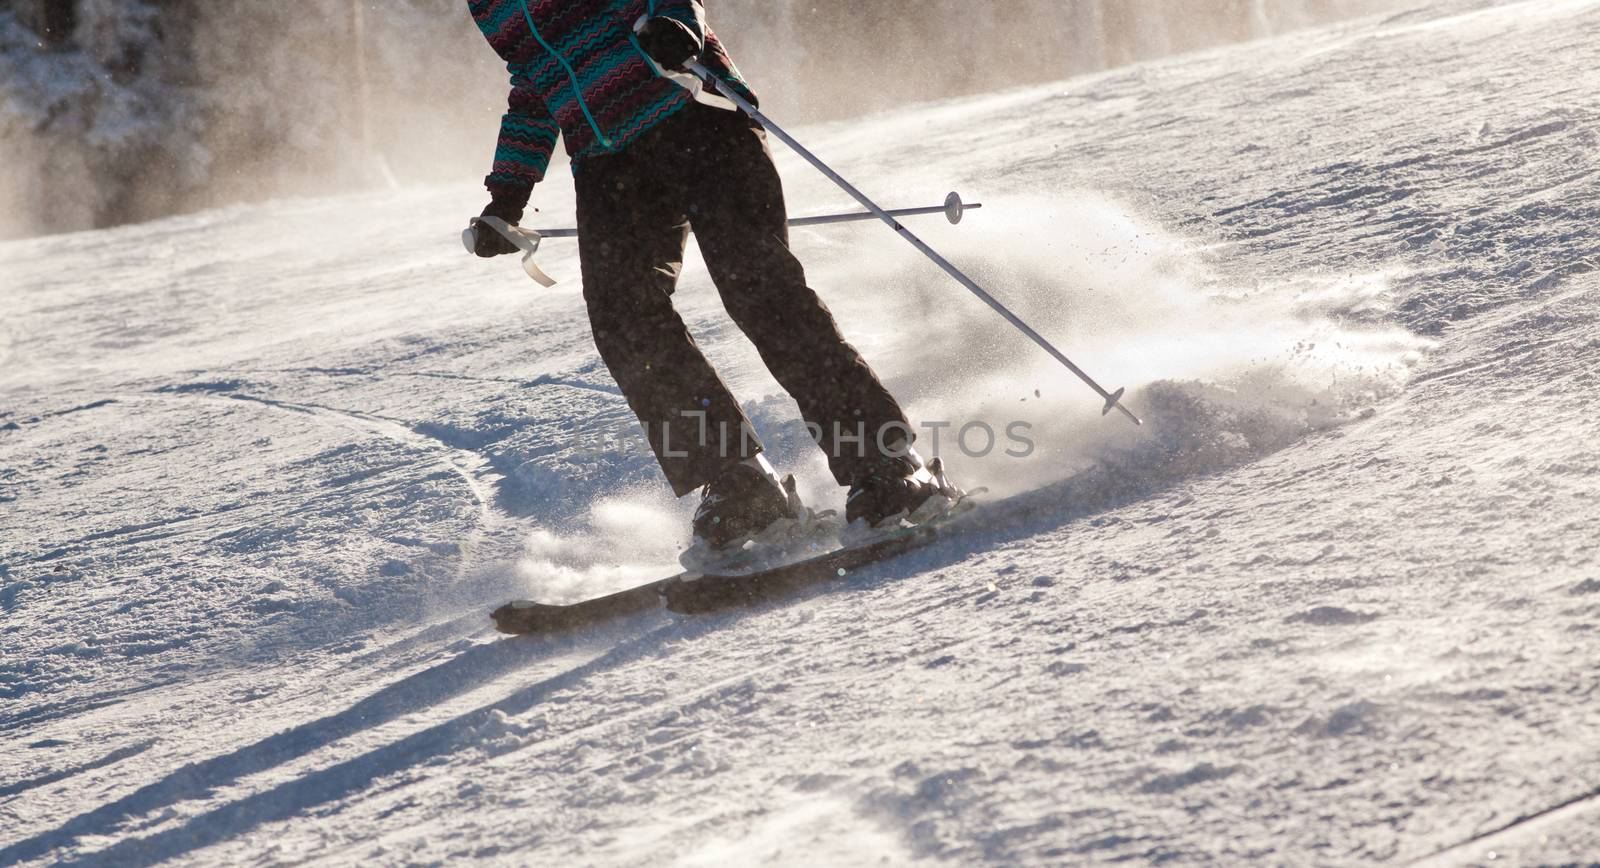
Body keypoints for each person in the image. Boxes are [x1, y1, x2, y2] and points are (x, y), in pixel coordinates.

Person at [466, 0, 955, 550]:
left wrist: (679, 27)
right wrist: (507, 195)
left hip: (699, 117)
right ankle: (740, 482)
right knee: (623, 318)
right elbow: (534, 85)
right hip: (608, 166)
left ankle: (887, 463)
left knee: (759, 290)